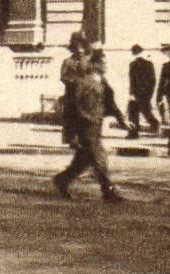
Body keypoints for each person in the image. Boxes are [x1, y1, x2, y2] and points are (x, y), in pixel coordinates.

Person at [53, 50, 125, 202]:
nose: (104, 66)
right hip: (85, 126)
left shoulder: (103, 83)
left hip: (97, 125)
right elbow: (72, 109)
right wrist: (71, 134)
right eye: (101, 63)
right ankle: (108, 191)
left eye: (105, 63)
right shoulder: (82, 83)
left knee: (83, 160)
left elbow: (111, 103)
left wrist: (122, 119)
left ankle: (62, 180)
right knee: (100, 157)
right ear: (93, 64)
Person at [58, 31, 90, 147]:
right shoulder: (68, 61)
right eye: (77, 48)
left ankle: (83, 139)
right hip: (71, 93)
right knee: (71, 117)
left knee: (84, 118)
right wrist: (73, 82)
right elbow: (63, 76)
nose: (80, 51)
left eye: (82, 48)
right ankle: (72, 139)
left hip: (85, 94)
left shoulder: (88, 62)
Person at [125, 45, 159, 139]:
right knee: (146, 111)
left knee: (133, 113)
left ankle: (133, 133)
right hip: (146, 93)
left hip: (136, 93)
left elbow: (132, 80)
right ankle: (155, 126)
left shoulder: (133, 64)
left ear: (134, 53)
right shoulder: (149, 64)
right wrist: (150, 93)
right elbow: (153, 80)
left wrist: (131, 93)